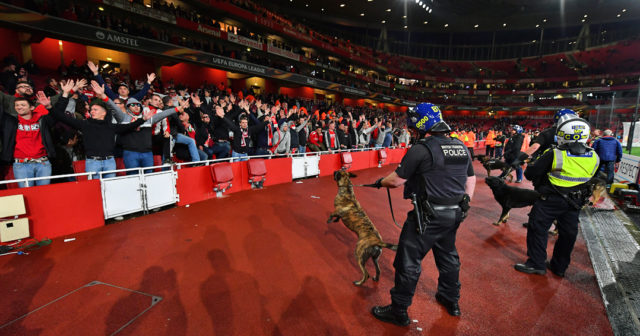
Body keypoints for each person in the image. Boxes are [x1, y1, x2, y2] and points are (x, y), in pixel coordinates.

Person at [370, 102, 476, 326]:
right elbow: (471, 178)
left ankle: (398, 310)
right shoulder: (459, 145)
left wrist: (380, 182)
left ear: (420, 124)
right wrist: (466, 201)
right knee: (448, 257)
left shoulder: (421, 149)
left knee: (408, 261)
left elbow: (397, 181)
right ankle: (451, 300)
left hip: (427, 217)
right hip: (454, 214)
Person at [515, 117, 599, 277]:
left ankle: (536, 264)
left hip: (550, 200)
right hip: (575, 202)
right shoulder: (594, 156)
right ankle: (559, 267)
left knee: (537, 229)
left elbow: (530, 173)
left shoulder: (555, 153)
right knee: (568, 234)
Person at [41, 80, 147, 178]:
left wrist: (143, 119)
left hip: (110, 162)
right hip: (92, 163)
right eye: (91, 109)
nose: (92, 111)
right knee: (94, 189)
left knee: (110, 188)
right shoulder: (85, 124)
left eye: (95, 109)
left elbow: (128, 126)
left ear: (104, 112)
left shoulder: (111, 126)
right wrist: (49, 107)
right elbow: (62, 117)